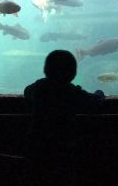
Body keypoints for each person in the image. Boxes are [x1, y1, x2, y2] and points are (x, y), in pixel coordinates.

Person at [24, 49, 105, 186]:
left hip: (37, 144)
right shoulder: (71, 92)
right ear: (73, 73)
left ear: (45, 70)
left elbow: (27, 92)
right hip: (65, 145)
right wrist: (100, 93)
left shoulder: (39, 87)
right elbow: (94, 103)